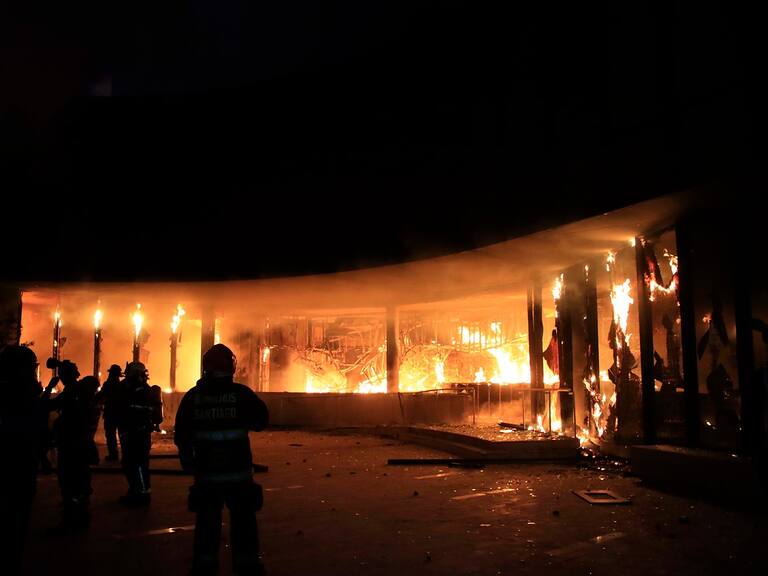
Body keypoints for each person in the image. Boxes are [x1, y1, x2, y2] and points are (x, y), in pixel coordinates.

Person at [175, 343, 269, 576]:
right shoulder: (241, 394)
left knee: (207, 524)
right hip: (239, 475)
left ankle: (204, 567)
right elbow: (260, 422)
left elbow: (182, 434)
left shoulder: (193, 397)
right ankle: (247, 566)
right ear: (231, 367)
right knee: (244, 522)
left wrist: (188, 461)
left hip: (206, 476)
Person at [0, 345, 43, 574]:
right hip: (16, 467)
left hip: (21, 466)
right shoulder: (22, 396)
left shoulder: (23, 395)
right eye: (30, 368)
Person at [43, 359, 94, 530]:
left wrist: (49, 388)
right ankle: (81, 515)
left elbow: (46, 406)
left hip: (71, 444)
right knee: (80, 481)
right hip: (81, 443)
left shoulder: (71, 393)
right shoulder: (81, 391)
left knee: (69, 482)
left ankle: (71, 519)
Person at [116, 361, 157, 506]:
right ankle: (136, 490)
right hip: (132, 432)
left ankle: (141, 494)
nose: (126, 378)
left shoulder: (140, 391)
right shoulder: (135, 389)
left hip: (137, 433)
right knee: (132, 463)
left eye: (129, 375)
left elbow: (131, 409)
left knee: (136, 464)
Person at [96, 364, 123, 461]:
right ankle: (124, 455)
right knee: (122, 435)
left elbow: (101, 395)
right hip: (120, 414)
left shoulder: (108, 384)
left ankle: (113, 455)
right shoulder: (122, 385)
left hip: (111, 413)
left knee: (110, 435)